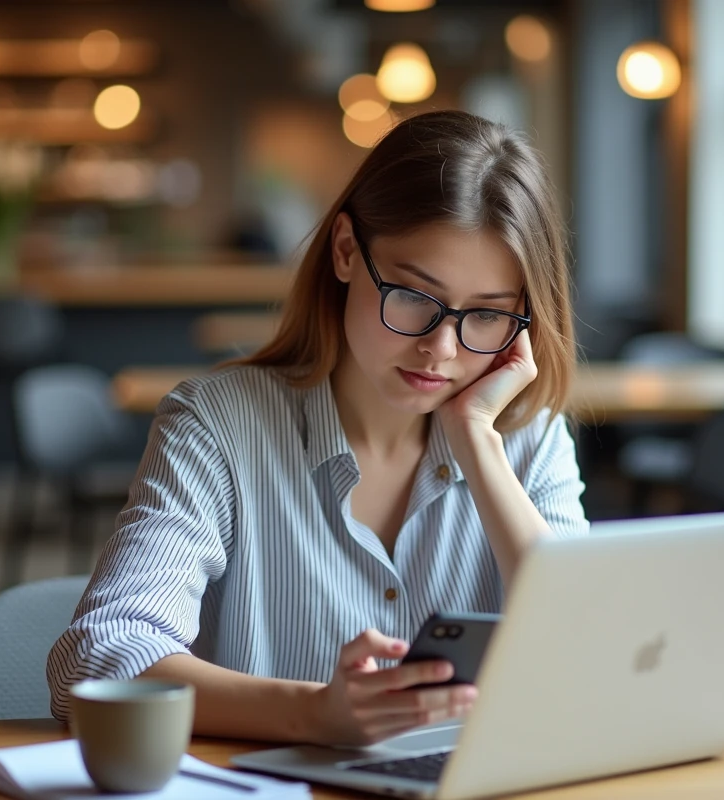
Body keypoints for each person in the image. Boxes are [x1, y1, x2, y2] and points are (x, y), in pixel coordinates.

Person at [47, 110, 588, 745]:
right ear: (345, 252)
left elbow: (585, 658)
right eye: (414, 296)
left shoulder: (530, 438)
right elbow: (96, 660)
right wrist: (313, 713)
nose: (441, 348)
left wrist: (478, 441)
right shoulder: (219, 427)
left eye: (488, 316)